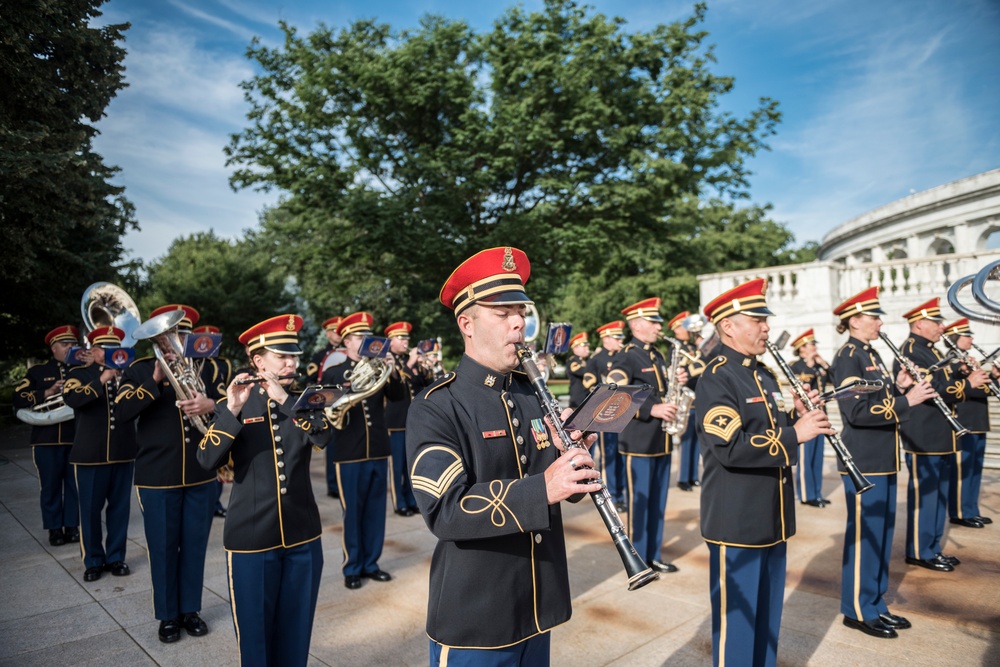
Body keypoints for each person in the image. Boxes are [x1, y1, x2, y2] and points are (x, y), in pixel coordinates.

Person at [406, 246, 601, 666]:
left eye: (521, 311)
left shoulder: (531, 394)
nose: (519, 322)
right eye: (502, 312)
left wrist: (574, 463)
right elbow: (445, 511)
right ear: (467, 324)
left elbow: (558, 489)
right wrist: (544, 488)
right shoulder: (437, 405)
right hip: (477, 616)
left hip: (536, 606)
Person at [696, 278, 832, 667]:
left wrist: (798, 415)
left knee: (767, 621)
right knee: (738, 630)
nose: (766, 327)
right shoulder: (717, 376)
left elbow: (765, 424)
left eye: (765, 320)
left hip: (771, 517)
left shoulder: (764, 374)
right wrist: (796, 434)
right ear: (729, 326)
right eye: (757, 319)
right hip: (736, 522)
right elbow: (731, 446)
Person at [197, 314, 332, 667]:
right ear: (258, 361)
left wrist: (286, 399)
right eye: (281, 356)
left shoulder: (303, 398)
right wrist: (232, 409)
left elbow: (323, 435)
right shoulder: (237, 402)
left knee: (297, 630)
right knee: (256, 639)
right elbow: (206, 459)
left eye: (294, 355)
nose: (291, 362)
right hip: (251, 540)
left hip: (302, 535)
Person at [829, 287, 935, 639]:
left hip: (883, 459)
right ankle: (857, 610)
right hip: (864, 460)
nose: (880, 321)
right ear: (855, 320)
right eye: (873, 316)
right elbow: (856, 412)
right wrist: (909, 401)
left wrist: (899, 387)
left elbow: (877, 401)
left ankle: (875, 603)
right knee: (865, 538)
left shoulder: (868, 353)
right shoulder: (848, 357)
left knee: (881, 537)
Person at [116, 305, 219, 643]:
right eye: (166, 337)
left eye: (180, 335)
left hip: (201, 473)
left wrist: (212, 405)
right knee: (162, 547)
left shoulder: (209, 368)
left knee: (194, 546)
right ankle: (168, 616)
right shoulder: (139, 370)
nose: (174, 342)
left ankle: (191, 610)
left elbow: (232, 408)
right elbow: (124, 411)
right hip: (157, 476)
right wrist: (156, 378)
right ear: (155, 340)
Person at [894, 298, 988, 572]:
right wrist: (967, 383)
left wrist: (961, 372)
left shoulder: (931, 351)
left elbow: (944, 381)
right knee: (926, 496)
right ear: (920, 324)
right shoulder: (911, 350)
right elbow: (932, 387)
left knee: (939, 495)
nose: (942, 326)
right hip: (923, 434)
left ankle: (932, 547)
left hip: (941, 432)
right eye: (937, 322)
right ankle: (919, 551)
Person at [321, 312, 406, 589]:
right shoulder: (335, 372)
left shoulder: (380, 366)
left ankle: (372, 563)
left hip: (378, 449)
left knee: (375, 511)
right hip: (349, 452)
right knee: (353, 512)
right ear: (346, 341)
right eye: (359, 337)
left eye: (366, 336)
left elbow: (397, 397)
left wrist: (392, 370)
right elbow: (328, 408)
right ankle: (353, 566)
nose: (365, 341)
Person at [607, 297, 686, 574]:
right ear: (638, 325)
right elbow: (616, 391)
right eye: (654, 322)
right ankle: (638, 560)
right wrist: (653, 409)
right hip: (639, 442)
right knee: (640, 506)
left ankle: (654, 554)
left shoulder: (657, 355)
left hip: (661, 440)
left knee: (658, 503)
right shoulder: (626, 355)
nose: (658, 327)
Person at [62, 325, 137, 583]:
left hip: (123, 452)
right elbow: (72, 398)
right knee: (90, 511)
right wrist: (103, 378)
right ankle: (93, 560)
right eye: (102, 349)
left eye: (113, 349)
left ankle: (116, 557)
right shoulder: (79, 374)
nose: (108, 353)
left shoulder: (128, 373)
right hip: (90, 456)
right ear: (93, 351)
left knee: (119, 509)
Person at [13, 326, 81, 547]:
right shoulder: (38, 372)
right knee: (50, 486)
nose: (70, 348)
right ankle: (54, 529)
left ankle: (72, 526)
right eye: (65, 345)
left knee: (74, 485)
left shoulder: (82, 370)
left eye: (73, 344)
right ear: (54, 348)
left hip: (76, 437)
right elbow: (19, 397)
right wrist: (47, 392)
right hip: (46, 439)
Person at [943, 318, 993, 528]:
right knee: (963, 471)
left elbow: (984, 388)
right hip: (965, 421)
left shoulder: (969, 360)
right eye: (967, 334)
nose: (971, 338)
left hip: (978, 420)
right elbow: (965, 388)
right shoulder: (952, 362)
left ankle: (971, 509)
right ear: (956, 338)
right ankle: (960, 512)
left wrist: (994, 378)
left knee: (975, 469)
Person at [385, 321, 434, 517]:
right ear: (390, 341)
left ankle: (413, 500)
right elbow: (395, 385)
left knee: (411, 465)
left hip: (413, 421)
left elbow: (427, 383)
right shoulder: (388, 360)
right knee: (397, 467)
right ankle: (400, 503)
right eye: (401, 338)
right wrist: (411, 363)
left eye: (406, 338)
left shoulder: (409, 360)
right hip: (395, 421)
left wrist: (424, 366)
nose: (406, 341)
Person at [583, 320, 627, 511]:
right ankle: (614, 496)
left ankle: (622, 492)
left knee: (622, 455)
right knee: (609, 456)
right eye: (617, 338)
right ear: (606, 339)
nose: (620, 341)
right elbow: (589, 382)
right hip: (606, 414)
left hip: (623, 413)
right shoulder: (596, 359)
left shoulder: (624, 357)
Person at [194, 324, 233, 518]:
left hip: (218, 415)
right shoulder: (199, 363)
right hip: (203, 418)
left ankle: (215, 502)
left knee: (220, 465)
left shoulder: (222, 364)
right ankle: (213, 502)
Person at [789, 328, 831, 507]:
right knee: (806, 458)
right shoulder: (796, 366)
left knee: (817, 457)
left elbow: (835, 378)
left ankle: (817, 492)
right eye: (811, 345)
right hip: (806, 416)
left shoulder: (818, 366)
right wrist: (810, 364)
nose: (814, 347)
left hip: (821, 414)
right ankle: (806, 495)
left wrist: (823, 364)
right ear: (801, 348)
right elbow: (801, 384)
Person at [669, 311, 705, 492]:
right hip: (685, 398)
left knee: (697, 439)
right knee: (686, 441)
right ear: (676, 329)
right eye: (684, 326)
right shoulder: (675, 348)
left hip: (698, 399)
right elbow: (679, 370)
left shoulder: (694, 347)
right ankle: (683, 478)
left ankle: (693, 476)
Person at [565, 331, 590, 409]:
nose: (587, 348)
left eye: (587, 346)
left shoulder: (586, 361)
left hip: (587, 399)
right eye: (584, 346)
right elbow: (583, 371)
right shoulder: (572, 361)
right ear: (575, 348)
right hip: (578, 402)